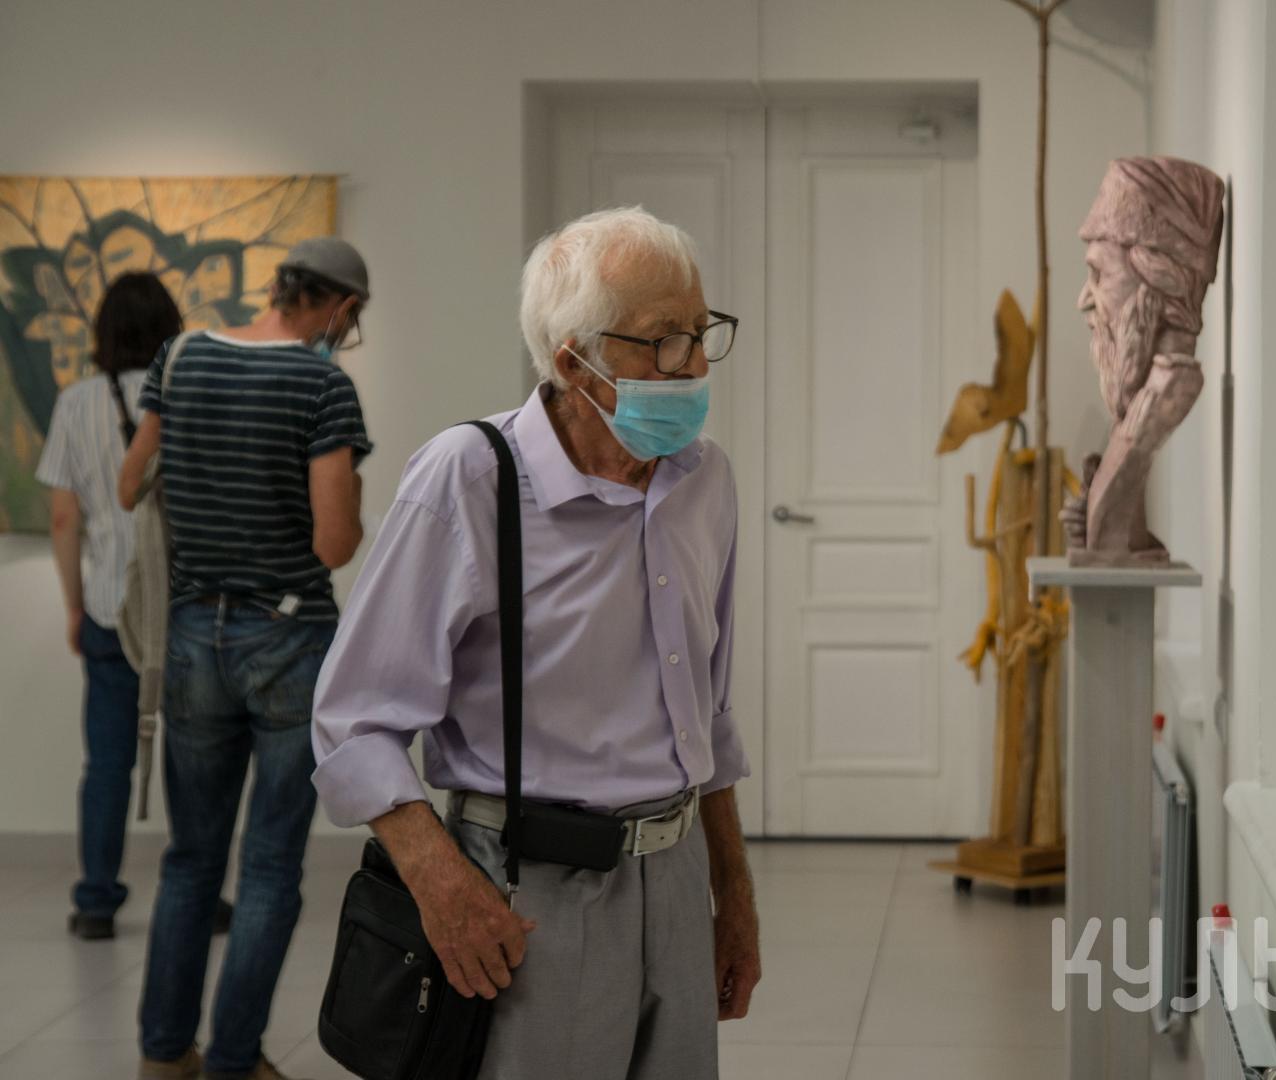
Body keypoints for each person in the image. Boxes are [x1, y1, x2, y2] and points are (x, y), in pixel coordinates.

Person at [311, 206, 762, 1080]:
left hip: (675, 876)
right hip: (528, 889)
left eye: (702, 332)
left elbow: (710, 711)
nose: (696, 365)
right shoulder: (470, 478)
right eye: (664, 341)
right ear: (573, 361)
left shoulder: (704, 480)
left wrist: (732, 893)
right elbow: (354, 721)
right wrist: (440, 885)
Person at [118, 238, 372, 1080]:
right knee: (267, 866)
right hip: (288, 638)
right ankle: (232, 1062)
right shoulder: (321, 384)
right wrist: (350, 495)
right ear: (340, 307)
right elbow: (333, 544)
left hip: (193, 632)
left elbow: (128, 485)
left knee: (190, 859)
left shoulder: (180, 356)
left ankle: (164, 1056)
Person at [39, 272, 205, 941]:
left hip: (110, 606)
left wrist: (74, 609)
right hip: (187, 606)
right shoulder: (190, 393)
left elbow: (63, 518)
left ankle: (95, 902)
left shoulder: (76, 403)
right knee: (196, 759)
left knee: (107, 762)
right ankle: (195, 896)